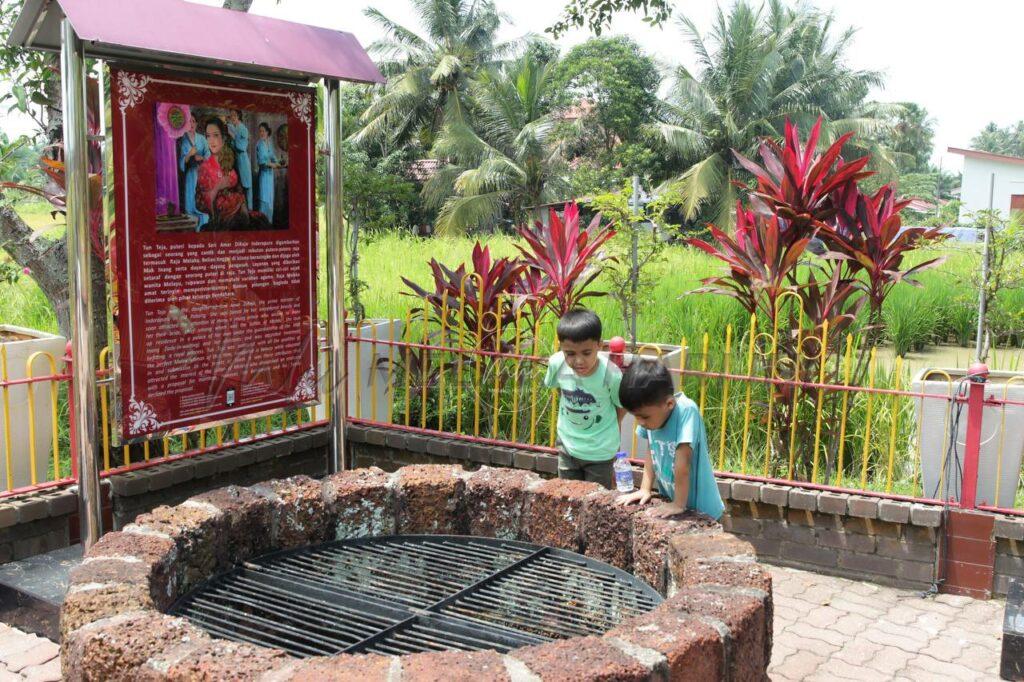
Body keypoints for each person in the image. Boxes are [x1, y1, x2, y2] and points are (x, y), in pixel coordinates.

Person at [614, 359, 724, 519]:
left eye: (644, 416)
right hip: (675, 503)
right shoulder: (653, 419)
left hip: (704, 510)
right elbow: (652, 450)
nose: (641, 422)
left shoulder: (687, 411)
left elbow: (683, 464)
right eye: (636, 416)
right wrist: (645, 489)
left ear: (669, 403)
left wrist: (678, 504)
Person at [543, 309, 624, 489]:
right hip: (567, 447)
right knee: (567, 498)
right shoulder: (557, 364)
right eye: (570, 354)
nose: (578, 361)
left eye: (586, 353)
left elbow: (621, 405)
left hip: (600, 452)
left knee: (596, 504)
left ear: (599, 346)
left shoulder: (611, 375)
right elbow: (559, 389)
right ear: (561, 347)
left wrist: (610, 428)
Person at [195, 117, 269, 232]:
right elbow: (201, 203)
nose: (211, 140)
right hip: (221, 217)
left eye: (215, 135)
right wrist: (218, 187)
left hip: (238, 213)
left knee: (260, 221)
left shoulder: (228, 160)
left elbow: (238, 188)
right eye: (208, 136)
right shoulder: (205, 167)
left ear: (223, 138)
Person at [178, 114, 210, 229]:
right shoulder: (183, 140)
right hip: (190, 176)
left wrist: (201, 158)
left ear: (196, 124)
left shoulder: (202, 138)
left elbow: (208, 155)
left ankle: (204, 231)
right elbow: (182, 161)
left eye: (193, 121)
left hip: (201, 175)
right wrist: (189, 154)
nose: (191, 124)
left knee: (202, 206)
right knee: (190, 204)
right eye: (189, 121)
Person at [227, 109, 253, 207]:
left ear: (238, 116)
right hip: (236, 160)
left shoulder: (243, 129)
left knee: (244, 187)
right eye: (231, 116)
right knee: (236, 187)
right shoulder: (233, 127)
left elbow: (242, 147)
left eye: (234, 115)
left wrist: (233, 136)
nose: (232, 118)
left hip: (243, 160)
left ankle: (248, 210)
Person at [255, 122, 280, 223]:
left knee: (270, 199)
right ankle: (263, 224)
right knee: (264, 200)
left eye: (263, 131)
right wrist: (272, 165)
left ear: (267, 132)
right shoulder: (259, 144)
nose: (261, 133)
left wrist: (278, 162)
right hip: (264, 175)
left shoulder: (269, 143)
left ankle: (269, 222)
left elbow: (273, 156)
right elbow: (262, 162)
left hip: (270, 176)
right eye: (260, 131)